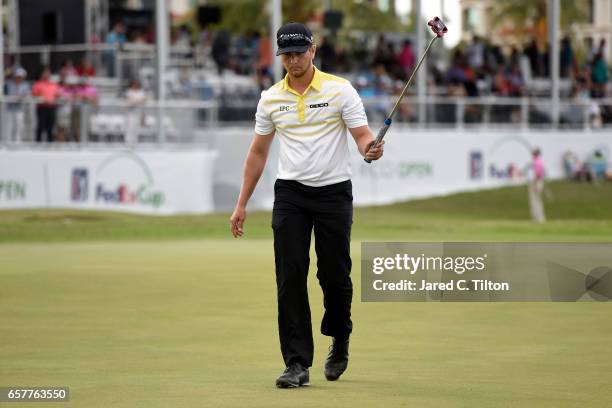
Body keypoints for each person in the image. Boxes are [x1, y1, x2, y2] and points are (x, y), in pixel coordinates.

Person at [229, 22, 384, 388]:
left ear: (313, 50)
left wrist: (370, 150)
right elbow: (257, 153)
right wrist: (241, 204)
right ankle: (296, 364)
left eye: (300, 53)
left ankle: (340, 335)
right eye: (287, 55)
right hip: (291, 195)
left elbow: (362, 138)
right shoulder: (270, 99)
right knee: (290, 275)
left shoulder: (340, 90)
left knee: (334, 275)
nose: (294, 61)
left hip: (333, 193)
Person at [31, 67, 60, 142]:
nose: (47, 74)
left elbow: (58, 94)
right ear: (42, 74)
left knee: (50, 126)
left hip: (51, 107)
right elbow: (34, 94)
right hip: (42, 107)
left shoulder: (53, 84)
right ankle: (38, 142)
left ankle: (50, 143)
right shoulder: (38, 84)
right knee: (41, 126)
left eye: (48, 73)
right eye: (45, 72)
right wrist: (42, 98)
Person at [3, 67, 30, 143]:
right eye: (17, 76)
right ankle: (8, 142)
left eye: (20, 77)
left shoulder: (25, 85)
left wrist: (21, 97)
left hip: (19, 108)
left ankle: (18, 142)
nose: (18, 78)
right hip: (10, 108)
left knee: (19, 126)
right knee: (9, 126)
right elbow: (5, 93)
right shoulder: (8, 84)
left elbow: (27, 95)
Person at [529, 148, 546, 223]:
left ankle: (539, 218)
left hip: (537, 182)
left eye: (533, 153)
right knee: (536, 200)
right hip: (539, 181)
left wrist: (535, 184)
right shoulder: (540, 161)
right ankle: (538, 218)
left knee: (536, 200)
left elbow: (538, 174)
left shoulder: (536, 161)